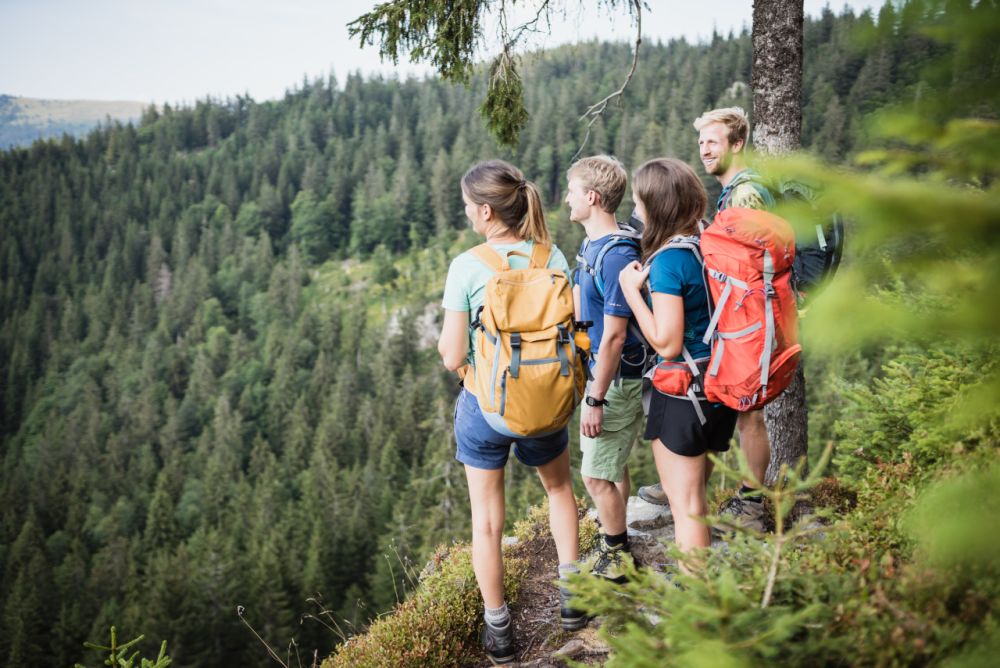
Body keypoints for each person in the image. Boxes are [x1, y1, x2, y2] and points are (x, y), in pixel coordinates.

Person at [438, 159, 585, 665]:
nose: (465, 212)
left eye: (466, 205)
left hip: (488, 406)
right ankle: (573, 599)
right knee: (560, 489)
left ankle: (498, 629)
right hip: (547, 398)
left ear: (484, 211)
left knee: (487, 522)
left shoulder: (468, 265)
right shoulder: (553, 255)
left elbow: (451, 355)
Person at [637, 107, 772, 531]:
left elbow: (744, 273)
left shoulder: (746, 194)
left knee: (750, 416)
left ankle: (749, 500)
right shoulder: (728, 196)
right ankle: (686, 484)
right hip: (730, 336)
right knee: (737, 420)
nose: (705, 149)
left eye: (713, 141)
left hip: (740, 333)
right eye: (701, 142)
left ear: (738, 143)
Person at [618, 158, 738, 556]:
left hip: (684, 394)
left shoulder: (669, 260)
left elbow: (667, 343)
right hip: (721, 384)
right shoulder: (709, 242)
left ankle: (698, 612)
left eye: (639, 203)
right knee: (696, 499)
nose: (635, 212)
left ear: (657, 207)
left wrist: (632, 291)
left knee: (687, 509)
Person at [566, 155, 646, 583]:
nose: (567, 199)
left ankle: (617, 556)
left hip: (614, 379)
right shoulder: (594, 246)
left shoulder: (615, 255)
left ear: (592, 198)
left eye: (573, 191)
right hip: (603, 373)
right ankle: (614, 531)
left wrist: (594, 398)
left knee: (595, 475)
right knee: (612, 466)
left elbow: (615, 335)